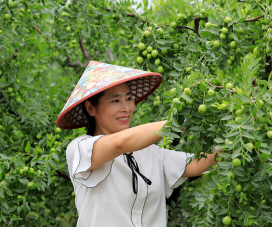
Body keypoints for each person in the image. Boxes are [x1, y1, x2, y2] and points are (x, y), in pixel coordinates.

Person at [55, 61, 218, 227]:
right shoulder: (80, 149)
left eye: (129, 98)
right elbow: (120, 143)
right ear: (91, 108)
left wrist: (230, 137)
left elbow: (199, 164)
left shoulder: (151, 152)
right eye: (115, 101)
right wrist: (178, 123)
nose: (126, 107)